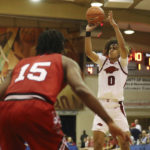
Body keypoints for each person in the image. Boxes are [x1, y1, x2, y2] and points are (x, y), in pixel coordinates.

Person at [0, 29, 130, 150]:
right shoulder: (65, 61)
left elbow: (1, 91)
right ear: (61, 47)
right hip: (36, 107)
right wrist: (109, 121)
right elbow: (80, 89)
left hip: (6, 110)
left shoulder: (21, 63)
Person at [85, 11, 130, 150]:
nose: (112, 49)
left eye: (114, 48)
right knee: (98, 143)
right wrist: (87, 32)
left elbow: (123, 48)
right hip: (102, 106)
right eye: (110, 47)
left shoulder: (122, 63)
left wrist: (115, 27)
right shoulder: (102, 61)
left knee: (125, 144)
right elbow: (88, 53)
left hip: (118, 107)